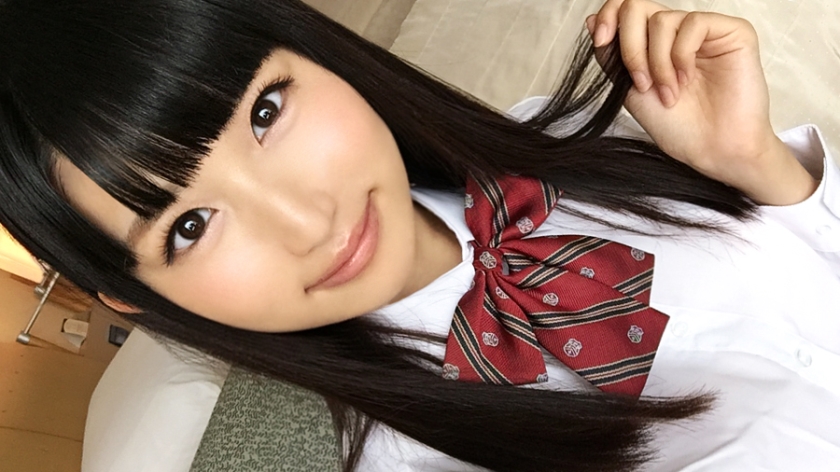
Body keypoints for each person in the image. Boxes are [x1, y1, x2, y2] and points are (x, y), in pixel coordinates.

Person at [1, 0, 838, 470]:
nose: (308, 220)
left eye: (265, 111)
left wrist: (763, 171)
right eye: (188, 227)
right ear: (131, 297)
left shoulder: (554, 137)